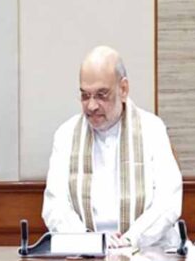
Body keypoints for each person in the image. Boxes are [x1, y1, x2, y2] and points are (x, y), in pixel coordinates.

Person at [42, 46, 182, 248]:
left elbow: (168, 202)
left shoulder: (152, 130)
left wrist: (130, 239)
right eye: (85, 96)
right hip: (86, 254)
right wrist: (90, 242)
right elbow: (55, 206)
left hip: (148, 250)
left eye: (101, 95)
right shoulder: (66, 135)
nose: (91, 106)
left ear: (123, 89)